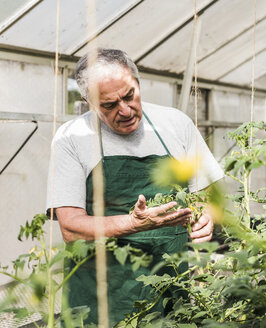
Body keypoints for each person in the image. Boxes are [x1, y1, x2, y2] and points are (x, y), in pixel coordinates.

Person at [46, 48, 224, 326]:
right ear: (87, 101)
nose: (125, 110)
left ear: (138, 83)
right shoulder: (72, 138)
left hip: (171, 289)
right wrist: (133, 223)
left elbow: (206, 189)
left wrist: (208, 215)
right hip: (101, 296)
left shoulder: (175, 124)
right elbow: (70, 227)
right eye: (109, 105)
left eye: (130, 95)